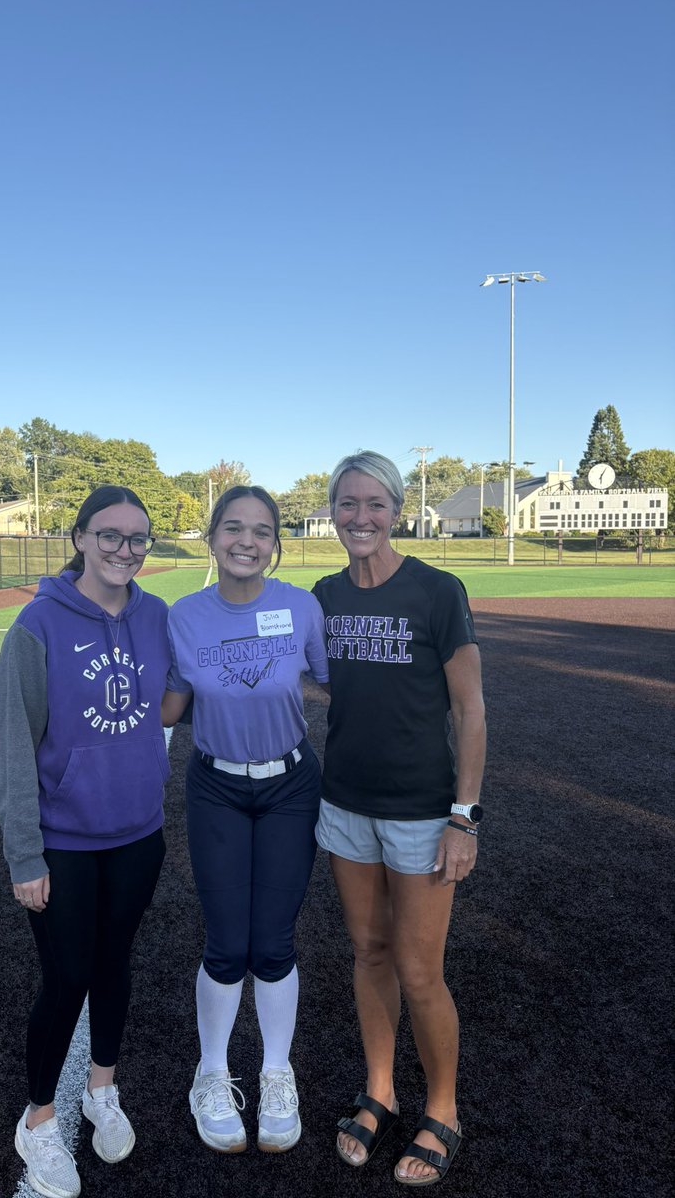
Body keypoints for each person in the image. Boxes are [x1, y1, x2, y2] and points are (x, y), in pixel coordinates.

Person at [0, 485, 171, 1198]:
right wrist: (24, 855)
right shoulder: (36, 625)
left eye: (138, 539)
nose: (125, 550)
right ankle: (39, 1120)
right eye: (110, 536)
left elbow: (181, 696)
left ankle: (101, 1088)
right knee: (66, 978)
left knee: (114, 966)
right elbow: (11, 750)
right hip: (63, 843)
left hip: (138, 835)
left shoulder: (157, 617)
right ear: (79, 538)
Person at [313, 451, 486, 1188]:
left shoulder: (438, 590)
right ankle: (380, 1090)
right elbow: (305, 678)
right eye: (347, 503)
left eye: (374, 503)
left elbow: (470, 708)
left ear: (397, 507)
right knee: (369, 953)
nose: (361, 517)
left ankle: (442, 1107)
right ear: (333, 510)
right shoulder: (321, 595)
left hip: (422, 814)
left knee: (420, 971)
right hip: (346, 806)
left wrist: (464, 818)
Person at [162, 485, 329, 1155]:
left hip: (290, 786)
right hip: (218, 789)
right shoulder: (183, 616)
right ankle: (211, 1073)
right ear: (213, 538)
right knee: (229, 943)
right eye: (234, 527)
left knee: (274, 942)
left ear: (276, 544)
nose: (247, 540)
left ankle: (275, 1071)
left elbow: (331, 682)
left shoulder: (300, 607)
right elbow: (170, 702)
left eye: (262, 530)